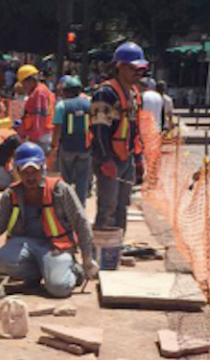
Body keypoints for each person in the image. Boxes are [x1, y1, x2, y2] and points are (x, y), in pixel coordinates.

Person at [0, 142, 97, 298]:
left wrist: (87, 260)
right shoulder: (12, 194)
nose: (30, 177)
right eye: (25, 172)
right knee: (1, 261)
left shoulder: (60, 191)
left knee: (59, 288)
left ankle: (74, 271)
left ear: (43, 169)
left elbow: (80, 222)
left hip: (55, 248)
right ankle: (37, 275)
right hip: (25, 245)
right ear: (17, 171)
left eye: (34, 171)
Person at [89, 41, 148, 232]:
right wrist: (106, 159)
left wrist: (138, 158)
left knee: (122, 206)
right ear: (120, 67)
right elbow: (99, 130)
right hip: (110, 158)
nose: (138, 74)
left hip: (126, 158)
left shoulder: (133, 94)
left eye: (141, 70)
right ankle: (102, 248)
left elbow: (134, 129)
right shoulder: (106, 94)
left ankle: (115, 247)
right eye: (134, 69)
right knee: (108, 207)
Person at [51, 76, 92, 205]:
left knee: (66, 178)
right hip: (85, 147)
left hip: (67, 146)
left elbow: (57, 127)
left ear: (65, 91)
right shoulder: (89, 104)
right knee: (82, 178)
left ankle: (67, 205)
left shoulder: (62, 105)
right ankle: (80, 205)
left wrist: (54, 147)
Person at [16, 64, 56, 159]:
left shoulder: (39, 93)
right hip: (39, 134)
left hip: (39, 136)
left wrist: (34, 138)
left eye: (23, 82)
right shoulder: (39, 91)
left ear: (30, 80)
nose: (23, 86)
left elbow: (39, 117)